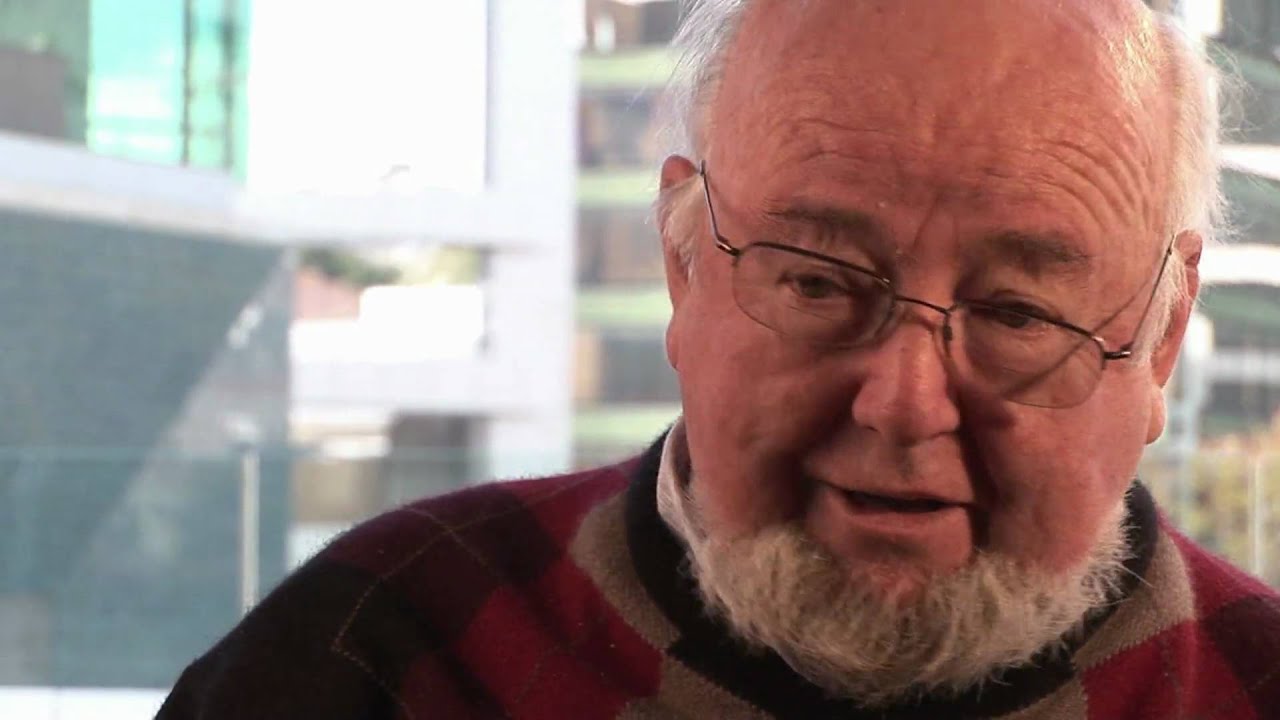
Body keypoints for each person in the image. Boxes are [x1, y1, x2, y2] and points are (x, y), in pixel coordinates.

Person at [158, 0, 1280, 717]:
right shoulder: (379, 655)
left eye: (1021, 313)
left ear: (1164, 332)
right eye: (813, 280)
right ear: (683, 263)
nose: (901, 402)